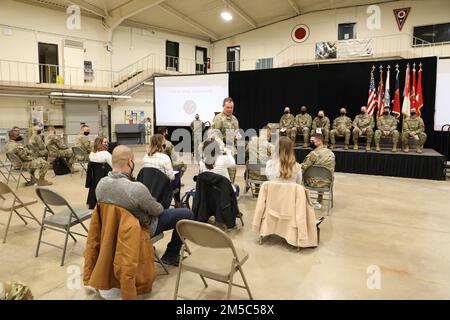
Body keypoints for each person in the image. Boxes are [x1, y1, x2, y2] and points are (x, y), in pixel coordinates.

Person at [96, 145, 193, 266]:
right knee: (187, 214)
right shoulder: (136, 188)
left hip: (115, 230)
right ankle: (171, 255)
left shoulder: (101, 184)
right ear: (130, 162)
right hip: (143, 228)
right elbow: (157, 211)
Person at [301, 133, 335, 206]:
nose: (311, 143)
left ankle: (300, 200)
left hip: (312, 183)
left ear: (319, 141)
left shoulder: (313, 154)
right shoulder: (331, 153)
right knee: (321, 173)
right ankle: (320, 197)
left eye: (312, 141)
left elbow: (303, 167)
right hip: (327, 183)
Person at [212, 97, 239, 183]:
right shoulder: (218, 118)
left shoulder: (234, 119)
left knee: (232, 171)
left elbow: (237, 132)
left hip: (232, 150)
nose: (230, 109)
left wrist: (236, 136)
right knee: (222, 174)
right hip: (221, 151)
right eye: (227, 107)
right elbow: (214, 133)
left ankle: (230, 191)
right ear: (223, 106)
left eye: (231, 107)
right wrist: (221, 144)